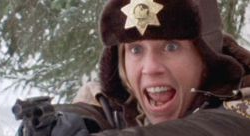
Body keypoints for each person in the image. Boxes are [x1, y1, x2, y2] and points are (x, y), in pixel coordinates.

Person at [16, 0, 250, 135]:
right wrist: (64, 121)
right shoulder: (112, 103)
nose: (150, 68)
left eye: (171, 47)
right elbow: (95, 110)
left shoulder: (243, 102)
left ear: (207, 60)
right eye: (136, 50)